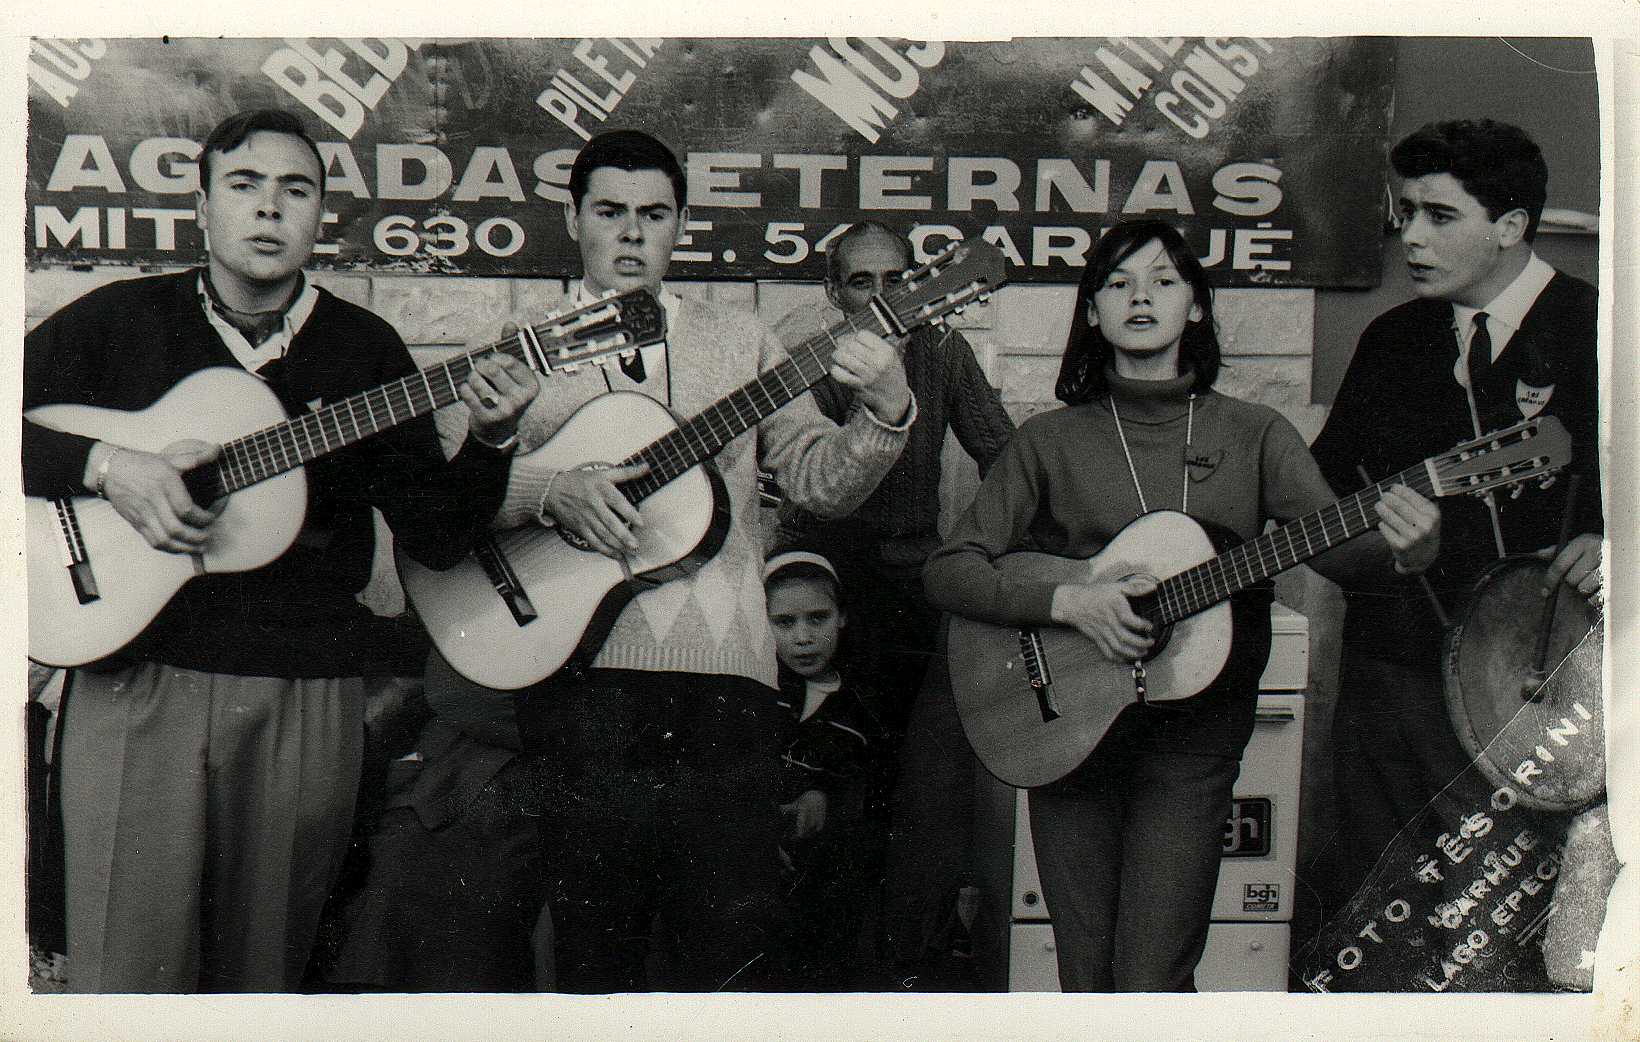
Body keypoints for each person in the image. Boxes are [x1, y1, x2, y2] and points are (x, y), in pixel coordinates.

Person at [21, 107, 537, 993]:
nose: (269, 210)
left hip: (307, 693)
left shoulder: (366, 351)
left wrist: (491, 439)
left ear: (320, 215)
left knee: (264, 973)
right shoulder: (116, 322)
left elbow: (439, 539)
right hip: (135, 676)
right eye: (245, 186)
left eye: (295, 191)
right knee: (123, 971)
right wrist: (109, 466)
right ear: (204, 207)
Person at [922, 218, 1439, 991]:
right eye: (1119, 283)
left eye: (1163, 281)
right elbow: (952, 570)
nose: (1141, 298)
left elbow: (1338, 554)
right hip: (1067, 731)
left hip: (1194, 736)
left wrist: (1411, 548)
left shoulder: (1256, 433)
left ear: (1196, 306)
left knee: (1153, 974)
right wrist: (1071, 601)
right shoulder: (1048, 441)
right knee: (1086, 975)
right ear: (1091, 311)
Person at [484, 129, 915, 992]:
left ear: (680, 225)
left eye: (654, 214)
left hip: (732, 690)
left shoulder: (740, 339)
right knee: (594, 957)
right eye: (611, 212)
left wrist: (886, 412)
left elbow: (819, 483)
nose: (633, 234)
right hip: (585, 681)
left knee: (725, 959)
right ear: (573, 219)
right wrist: (549, 489)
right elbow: (453, 495)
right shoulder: (522, 338)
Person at [1309, 119, 1602, 919]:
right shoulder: (1391, 339)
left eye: (1440, 216)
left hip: (1546, 688)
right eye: (1406, 213)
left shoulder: (1608, 332)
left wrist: (1618, 548)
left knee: (1513, 927)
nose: (1412, 237)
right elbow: (1321, 512)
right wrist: (1395, 553)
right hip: (1390, 685)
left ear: (1511, 226)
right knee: (1378, 918)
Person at [770, 220, 1015, 979]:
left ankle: (898, 967)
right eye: (859, 282)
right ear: (831, 292)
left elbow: (1004, 457)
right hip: (821, 580)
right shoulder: (802, 357)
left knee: (911, 786)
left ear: (916, 285)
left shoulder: (942, 350)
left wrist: (984, 555)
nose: (878, 297)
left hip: (912, 580)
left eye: (893, 280)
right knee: (813, 781)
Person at [762, 550, 893, 990]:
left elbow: (857, 787)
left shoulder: (859, 710)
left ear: (841, 619)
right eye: (784, 622)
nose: (802, 637)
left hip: (819, 880)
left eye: (817, 619)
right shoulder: (755, 691)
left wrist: (822, 794)